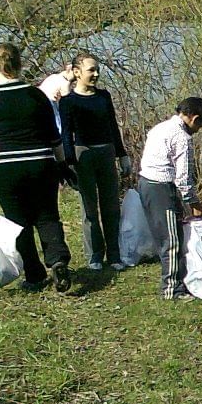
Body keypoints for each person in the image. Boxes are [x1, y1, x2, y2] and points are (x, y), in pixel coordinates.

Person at [0, 43, 72, 292]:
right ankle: (58, 260)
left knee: (18, 221)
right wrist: (62, 165)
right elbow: (54, 136)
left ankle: (34, 273)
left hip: (5, 168)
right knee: (47, 215)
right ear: (19, 64)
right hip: (41, 163)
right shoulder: (35, 95)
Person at [59, 52, 130, 270]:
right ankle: (95, 256)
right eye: (91, 70)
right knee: (89, 209)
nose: (96, 74)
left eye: (97, 69)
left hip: (106, 152)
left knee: (111, 206)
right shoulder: (68, 102)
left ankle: (115, 256)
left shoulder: (104, 97)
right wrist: (69, 164)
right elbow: (66, 135)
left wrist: (122, 154)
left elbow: (112, 127)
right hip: (84, 155)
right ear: (77, 72)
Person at [138, 97, 202, 300]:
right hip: (161, 189)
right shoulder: (182, 137)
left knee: (166, 236)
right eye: (200, 125)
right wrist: (193, 203)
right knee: (171, 241)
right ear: (194, 118)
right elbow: (183, 178)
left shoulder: (160, 127)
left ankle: (177, 281)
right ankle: (172, 289)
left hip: (145, 184)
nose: (198, 130)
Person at [38, 63, 74, 136]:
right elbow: (67, 101)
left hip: (40, 99)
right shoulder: (65, 82)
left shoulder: (53, 76)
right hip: (49, 101)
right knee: (58, 122)